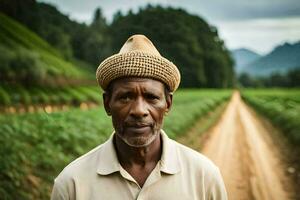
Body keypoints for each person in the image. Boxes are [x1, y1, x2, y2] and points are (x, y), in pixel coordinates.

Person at [51, 34, 227, 200]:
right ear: (107, 104)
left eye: (151, 97)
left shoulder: (204, 177)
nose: (139, 110)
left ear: (168, 104)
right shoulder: (71, 184)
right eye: (125, 97)